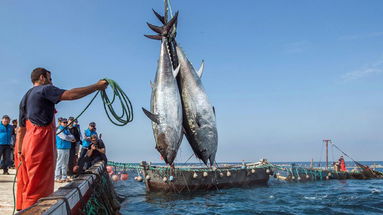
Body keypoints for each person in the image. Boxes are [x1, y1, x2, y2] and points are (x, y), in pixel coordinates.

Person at [16, 67, 108, 210]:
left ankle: (24, 209)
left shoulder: (26, 96)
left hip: (27, 142)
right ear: (42, 78)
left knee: (27, 182)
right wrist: (96, 86)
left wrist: (20, 151)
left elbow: (21, 128)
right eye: (50, 78)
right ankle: (35, 211)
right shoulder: (44, 89)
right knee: (39, 182)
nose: (52, 82)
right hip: (39, 141)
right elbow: (70, 94)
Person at [55, 118, 75, 182]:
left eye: (66, 122)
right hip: (61, 148)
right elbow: (65, 137)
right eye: (64, 122)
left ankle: (64, 177)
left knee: (65, 163)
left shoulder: (67, 129)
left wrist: (69, 138)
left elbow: (72, 136)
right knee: (59, 163)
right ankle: (57, 177)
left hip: (67, 147)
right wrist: (70, 138)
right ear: (61, 123)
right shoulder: (59, 130)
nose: (66, 123)